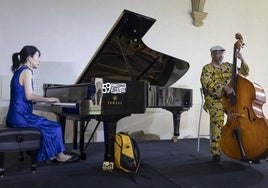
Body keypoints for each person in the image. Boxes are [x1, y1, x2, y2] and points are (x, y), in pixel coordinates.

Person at [6, 45, 72, 162]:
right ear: (29, 58)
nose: (39, 61)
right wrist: (47, 99)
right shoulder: (27, 71)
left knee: (45, 124)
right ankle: (60, 156)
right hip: (21, 117)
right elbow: (29, 96)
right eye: (37, 57)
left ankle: (51, 152)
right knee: (55, 126)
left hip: (14, 116)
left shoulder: (18, 71)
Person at [200, 45, 249, 164]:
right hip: (214, 100)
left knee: (241, 118)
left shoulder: (229, 66)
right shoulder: (207, 68)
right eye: (216, 53)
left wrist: (241, 58)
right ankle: (216, 153)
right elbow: (207, 84)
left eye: (221, 53)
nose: (219, 55)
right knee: (218, 120)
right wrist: (224, 88)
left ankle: (245, 149)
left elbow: (245, 72)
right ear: (212, 55)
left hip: (230, 100)